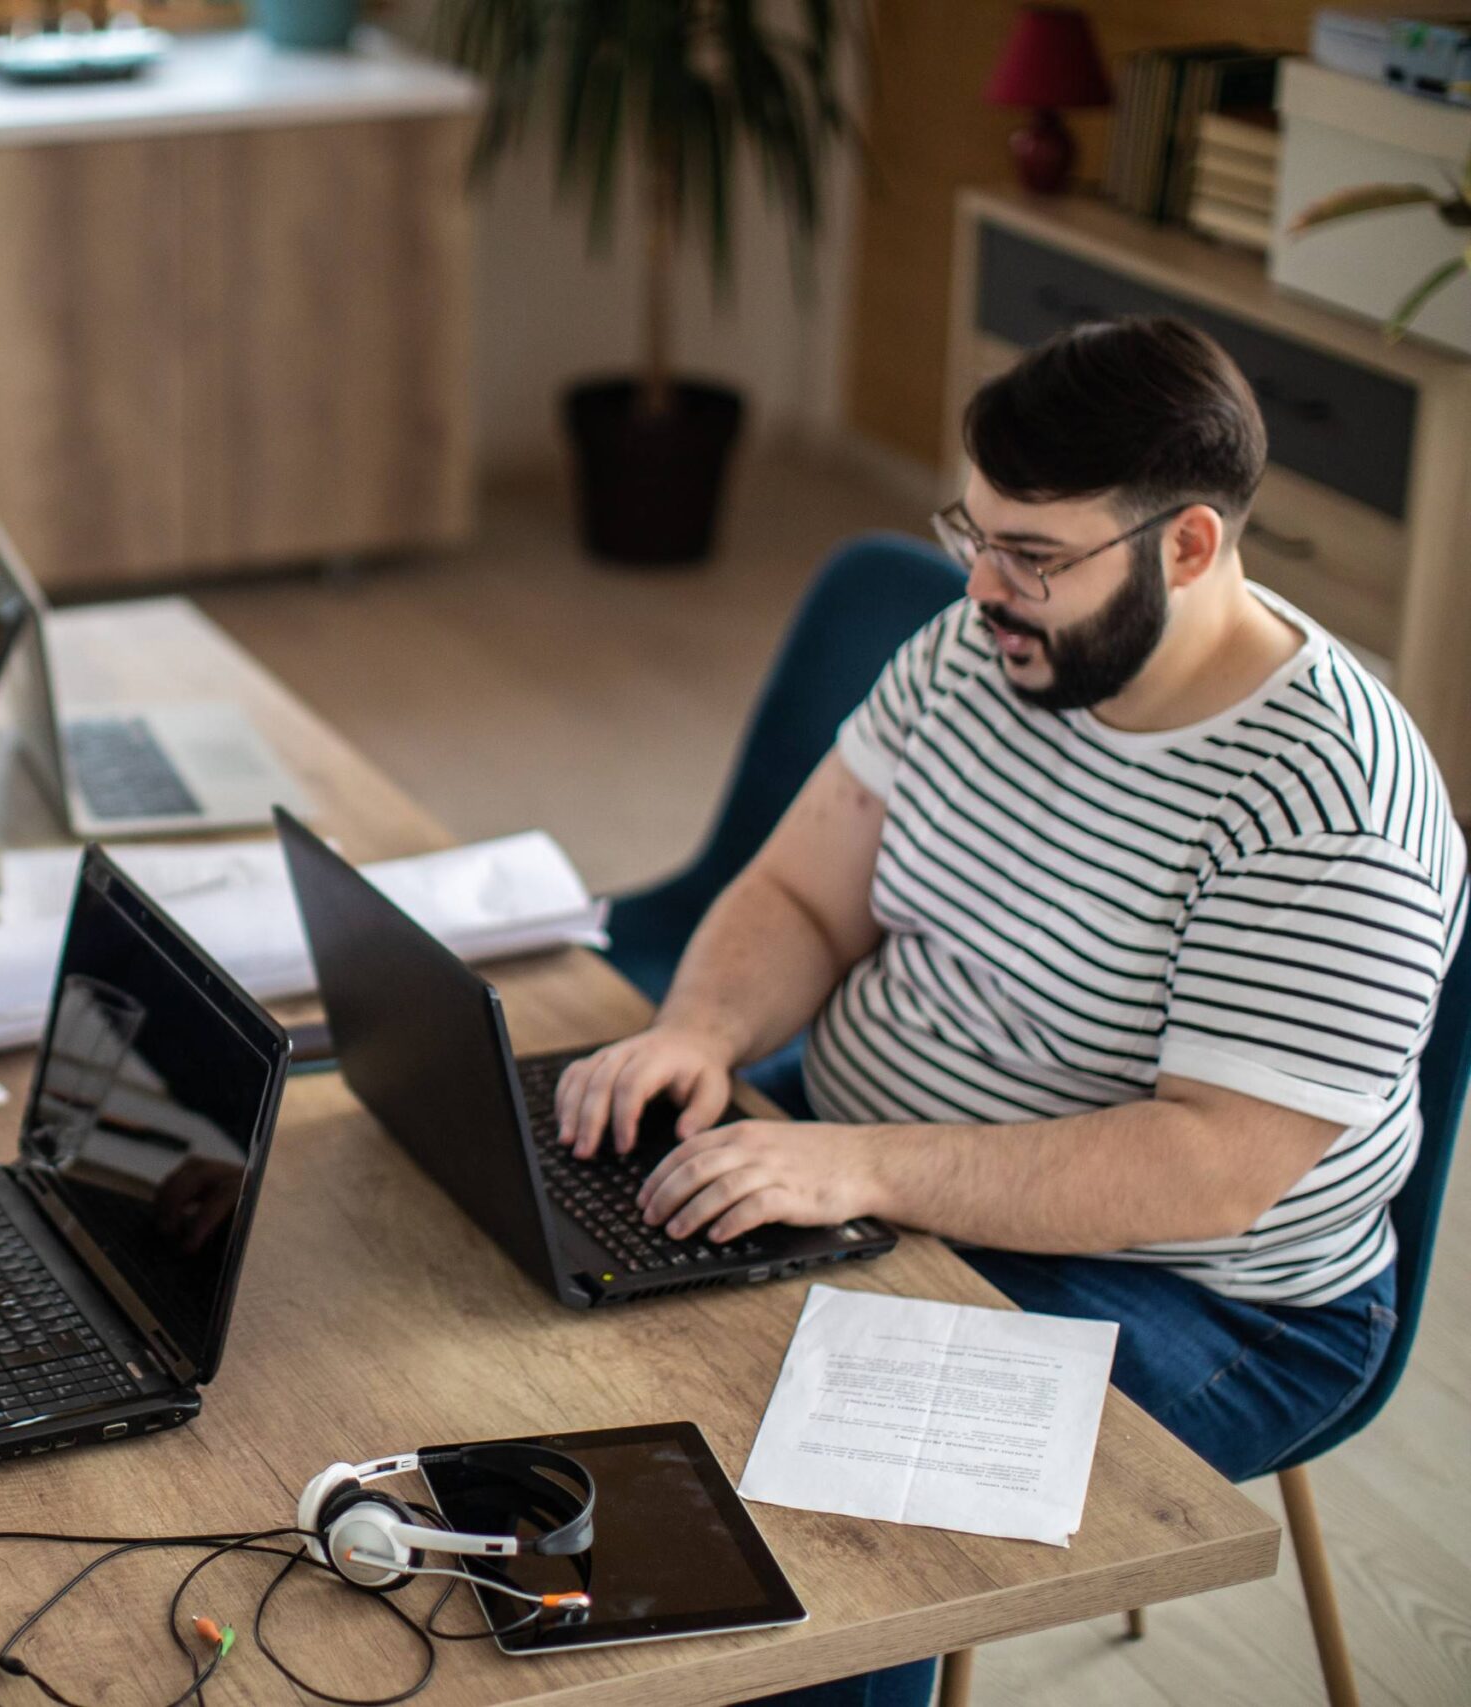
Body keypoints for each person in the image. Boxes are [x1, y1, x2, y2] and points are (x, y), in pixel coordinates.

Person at [554, 317, 1461, 1707]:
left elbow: (1204, 1168)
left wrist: (862, 1162)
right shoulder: (986, 649)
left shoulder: (1334, 807)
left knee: (812, 1531)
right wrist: (700, 1032)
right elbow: (801, 891)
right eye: (974, 533)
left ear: (1192, 546)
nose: (982, 586)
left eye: (1034, 555)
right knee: (564, 1326)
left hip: (1193, 1287)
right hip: (877, 1160)